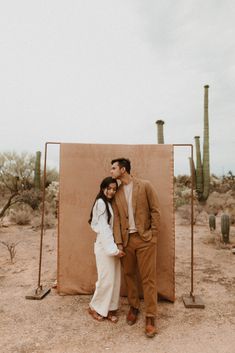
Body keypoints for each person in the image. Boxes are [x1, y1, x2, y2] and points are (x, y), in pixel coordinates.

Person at [110, 158, 161, 338]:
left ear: (123, 170)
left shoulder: (145, 186)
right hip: (127, 241)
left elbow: (155, 210)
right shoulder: (117, 193)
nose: (111, 171)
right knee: (129, 275)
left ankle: (150, 316)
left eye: (114, 168)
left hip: (146, 239)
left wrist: (153, 234)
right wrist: (119, 242)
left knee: (148, 278)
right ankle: (134, 307)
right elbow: (116, 219)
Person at [88, 176, 125, 323]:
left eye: (114, 189)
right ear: (103, 187)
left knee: (115, 279)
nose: (111, 191)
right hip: (105, 247)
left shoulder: (108, 204)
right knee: (106, 280)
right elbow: (103, 229)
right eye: (109, 188)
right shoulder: (100, 203)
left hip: (110, 246)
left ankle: (109, 309)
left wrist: (115, 248)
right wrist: (114, 250)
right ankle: (94, 308)